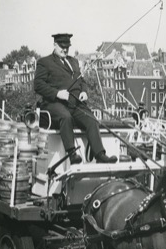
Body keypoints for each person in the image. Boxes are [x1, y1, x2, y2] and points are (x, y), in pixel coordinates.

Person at [34, 33, 117, 164]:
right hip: (54, 104)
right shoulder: (44, 62)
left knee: (91, 119)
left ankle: (100, 154)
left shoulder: (73, 61)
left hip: (75, 103)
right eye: (62, 46)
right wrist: (57, 93)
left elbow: (81, 80)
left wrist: (84, 91)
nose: (65, 49)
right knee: (65, 116)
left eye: (67, 47)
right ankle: (72, 154)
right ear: (55, 45)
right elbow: (38, 85)